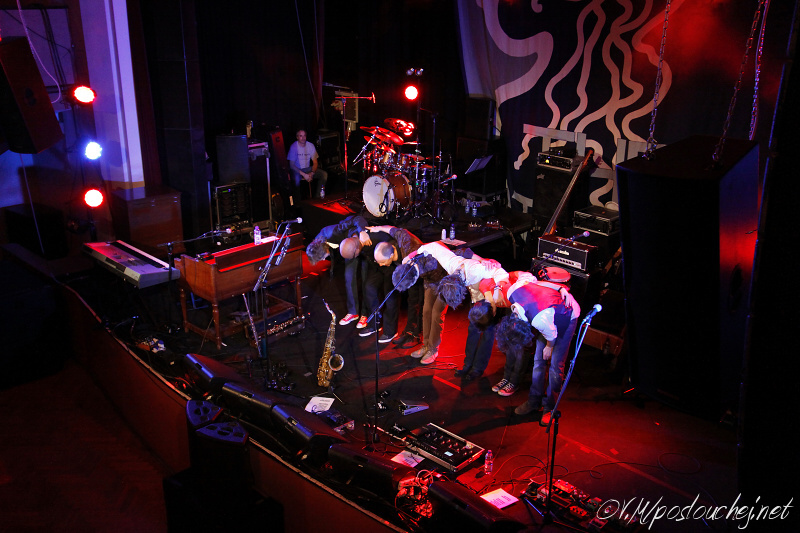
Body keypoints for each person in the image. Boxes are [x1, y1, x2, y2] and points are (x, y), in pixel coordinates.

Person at [473, 268, 580, 426]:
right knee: (538, 362)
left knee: (555, 367)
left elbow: (551, 336)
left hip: (566, 316)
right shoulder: (514, 292)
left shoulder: (540, 321)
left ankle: (549, 407)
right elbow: (532, 280)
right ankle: (533, 401)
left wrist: (561, 288)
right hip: (547, 313)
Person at [397, 241, 508, 366]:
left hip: (483, 293)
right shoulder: (451, 264)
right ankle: (426, 345)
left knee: (436, 313)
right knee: (427, 310)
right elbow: (430, 246)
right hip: (445, 285)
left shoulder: (477, 270)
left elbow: (500, 272)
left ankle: (433, 350)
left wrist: (497, 289)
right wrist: (408, 257)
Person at [358, 225, 422, 344]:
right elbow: (394, 229)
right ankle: (374, 324)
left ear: (391, 255)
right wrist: (379, 227)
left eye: (382, 262)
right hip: (392, 266)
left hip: (411, 269)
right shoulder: (385, 257)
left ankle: (395, 332)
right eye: (379, 262)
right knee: (369, 287)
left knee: (395, 297)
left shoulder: (407, 250)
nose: (380, 264)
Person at [306, 215, 371, 326]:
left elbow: (357, 219)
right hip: (347, 250)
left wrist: (362, 232)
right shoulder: (318, 242)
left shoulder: (334, 232)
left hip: (360, 242)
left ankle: (366, 314)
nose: (322, 259)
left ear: (324, 249)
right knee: (349, 278)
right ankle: (353, 312)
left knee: (366, 279)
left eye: (322, 257)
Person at [287, 129, 328, 198]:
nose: (303, 138)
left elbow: (315, 162)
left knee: (323, 175)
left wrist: (312, 173)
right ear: (297, 137)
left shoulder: (310, 146)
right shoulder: (293, 147)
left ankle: (318, 198)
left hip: (308, 169)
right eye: (301, 136)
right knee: (296, 179)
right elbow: (291, 165)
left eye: (304, 136)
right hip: (298, 170)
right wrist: (304, 175)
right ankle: (298, 202)